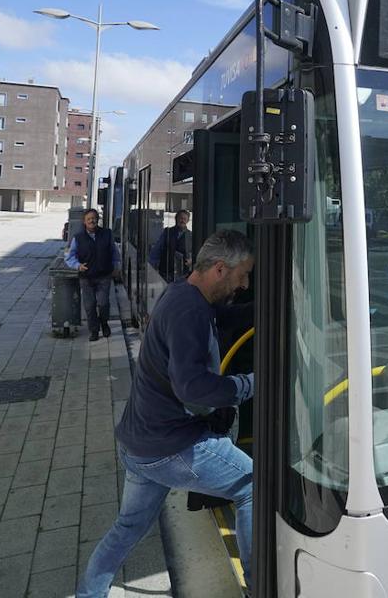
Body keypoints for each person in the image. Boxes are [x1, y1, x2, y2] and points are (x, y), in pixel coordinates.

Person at [77, 230, 256, 597]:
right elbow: (193, 388)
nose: (245, 284)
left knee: (127, 528)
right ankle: (260, 584)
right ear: (221, 269)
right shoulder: (189, 310)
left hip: (139, 442)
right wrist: (251, 384)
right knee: (254, 486)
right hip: (171, 445)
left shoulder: (183, 295)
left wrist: (264, 308)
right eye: (243, 276)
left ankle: (88, 594)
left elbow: (221, 318)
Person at [65, 208, 122, 341]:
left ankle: (104, 323)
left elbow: (114, 252)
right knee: (89, 306)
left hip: (104, 276)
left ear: (98, 220)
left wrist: (116, 266)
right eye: (89, 219)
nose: (92, 221)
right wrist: (78, 265)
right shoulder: (78, 238)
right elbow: (69, 257)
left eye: (94, 218)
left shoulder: (107, 234)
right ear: (84, 222)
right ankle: (94, 330)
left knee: (103, 303)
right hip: (86, 278)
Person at [148, 208, 192, 283]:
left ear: (187, 221)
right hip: (166, 272)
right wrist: (150, 266)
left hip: (183, 273)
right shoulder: (167, 232)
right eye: (180, 218)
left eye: (185, 219)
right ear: (176, 219)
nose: (182, 221)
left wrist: (192, 260)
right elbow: (157, 249)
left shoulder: (190, 235)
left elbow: (195, 252)